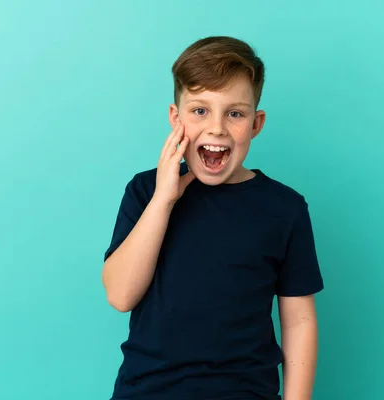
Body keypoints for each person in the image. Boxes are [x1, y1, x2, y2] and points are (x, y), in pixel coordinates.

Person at [102, 36, 324, 400]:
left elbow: (299, 320)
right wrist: (163, 200)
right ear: (176, 118)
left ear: (256, 123)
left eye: (234, 113)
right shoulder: (145, 192)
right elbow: (120, 294)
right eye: (200, 110)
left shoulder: (285, 209)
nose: (217, 128)